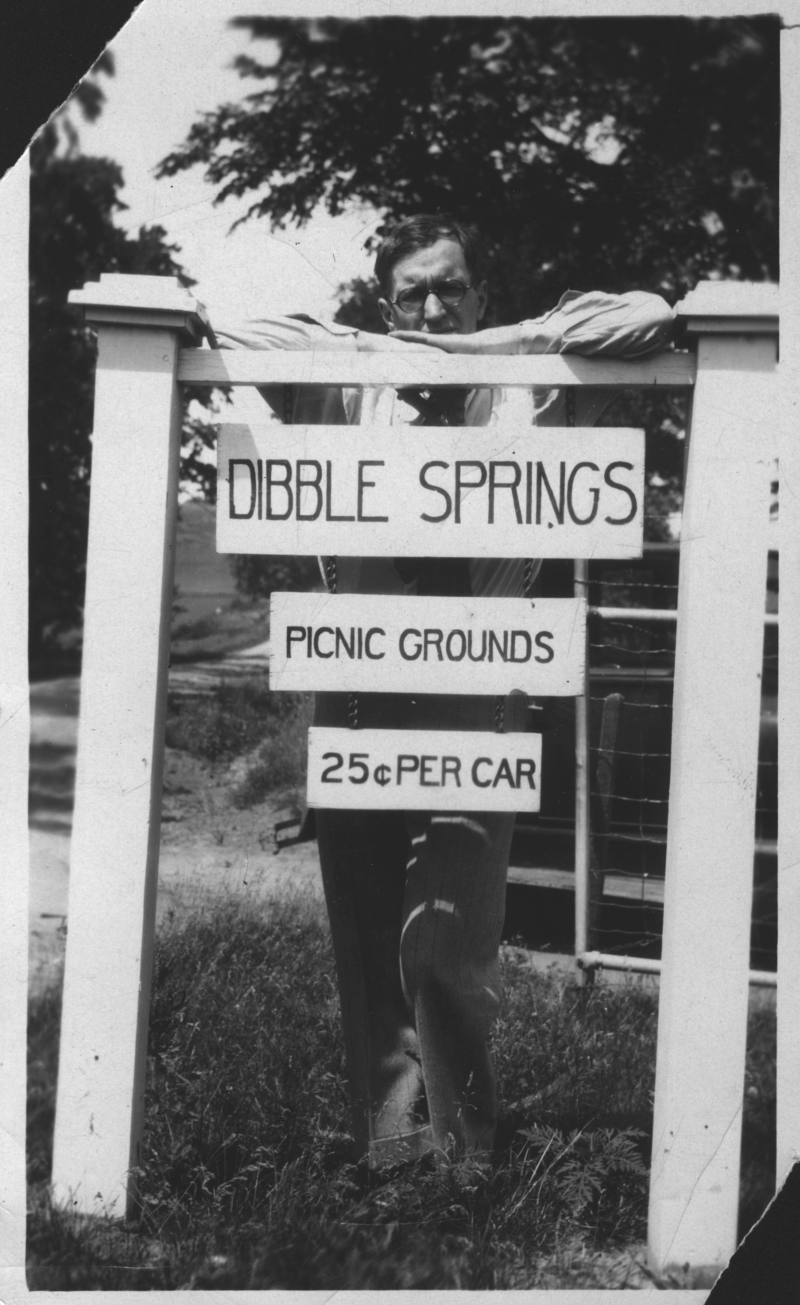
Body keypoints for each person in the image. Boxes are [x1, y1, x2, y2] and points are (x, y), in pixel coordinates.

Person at [214, 215, 674, 1167]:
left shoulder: (537, 388)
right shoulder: (346, 387)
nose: (432, 306)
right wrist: (380, 348)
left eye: (450, 287)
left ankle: (465, 1160)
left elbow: (650, 316)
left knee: (449, 941)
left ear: (481, 294)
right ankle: (391, 1154)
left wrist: (492, 346)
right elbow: (234, 331)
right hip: (357, 683)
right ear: (386, 304)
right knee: (366, 933)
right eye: (411, 292)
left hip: (482, 687)